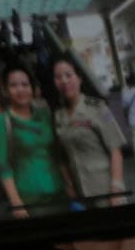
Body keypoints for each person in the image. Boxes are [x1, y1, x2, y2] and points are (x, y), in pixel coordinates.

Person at [0, 65, 66, 220]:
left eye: (25, 84)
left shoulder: (44, 114)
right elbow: (3, 166)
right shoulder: (1, 120)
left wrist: (68, 184)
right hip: (30, 199)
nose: (20, 90)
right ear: (5, 90)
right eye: (13, 85)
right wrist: (16, 201)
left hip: (59, 191)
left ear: (32, 87)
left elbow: (56, 153)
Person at [52, 57, 129, 207]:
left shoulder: (99, 108)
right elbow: (62, 156)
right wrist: (69, 185)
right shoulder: (58, 115)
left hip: (106, 192)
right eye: (58, 77)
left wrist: (116, 188)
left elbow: (115, 150)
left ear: (79, 78)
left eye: (69, 75)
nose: (64, 81)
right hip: (81, 196)